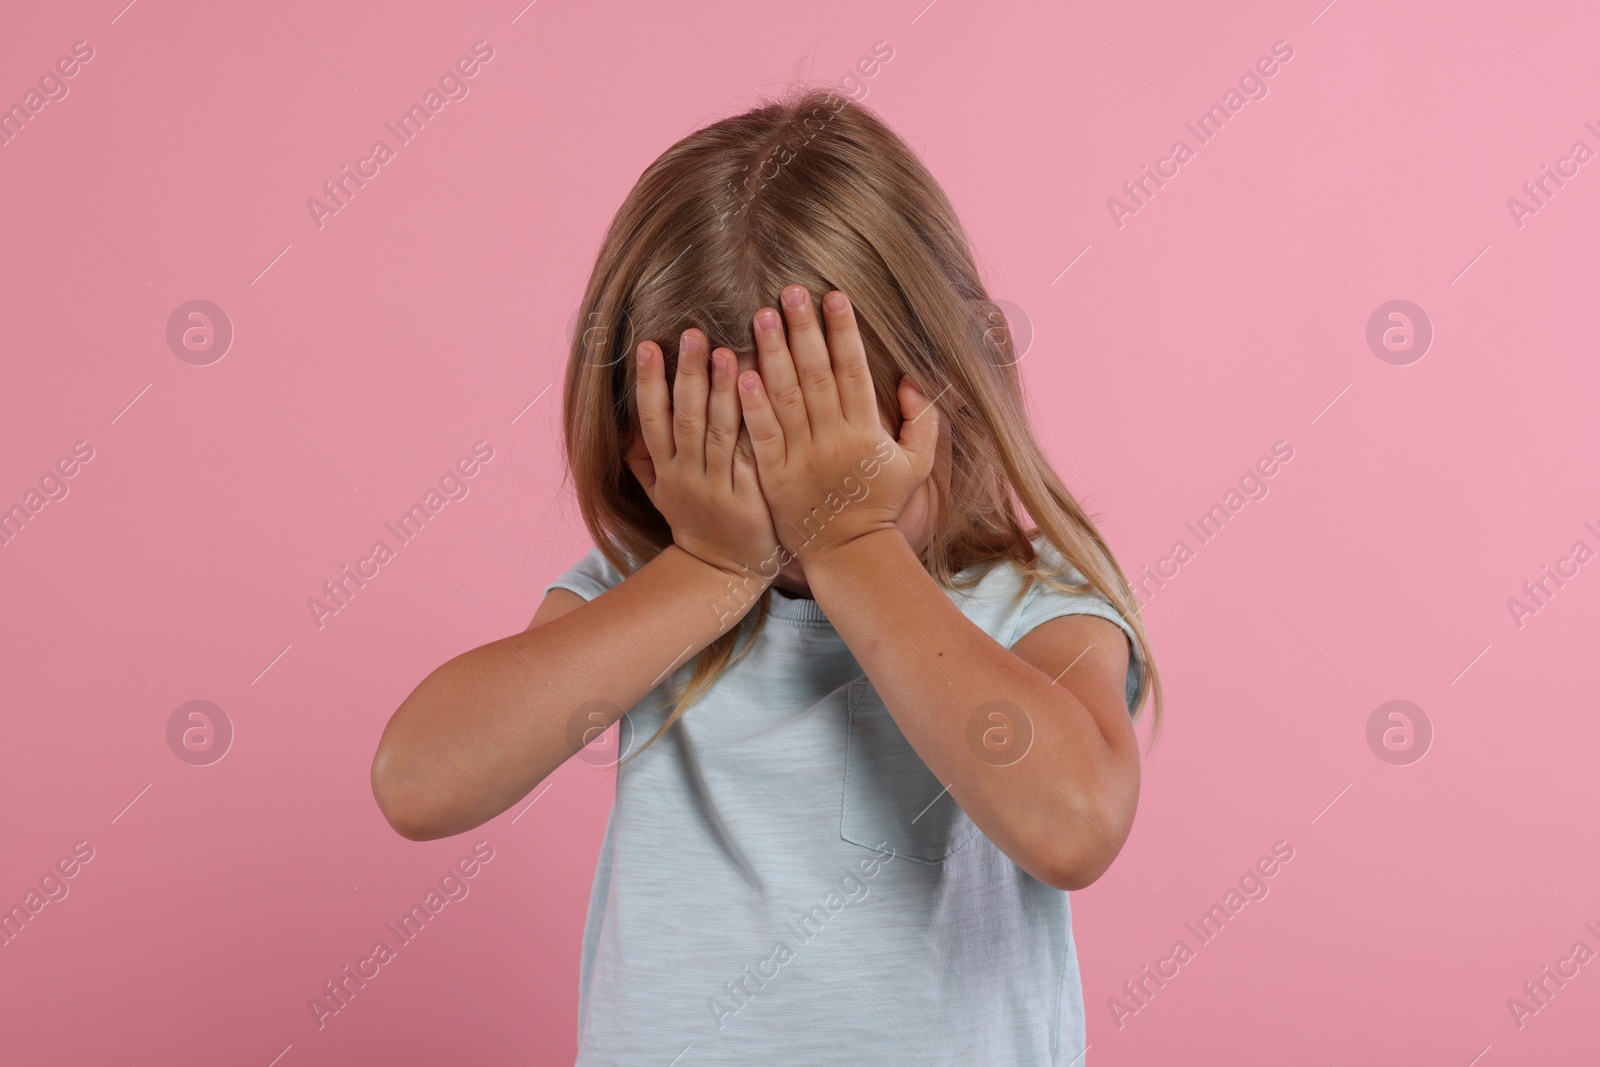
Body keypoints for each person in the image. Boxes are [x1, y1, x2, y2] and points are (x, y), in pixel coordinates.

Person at [371, 85, 1163, 1066]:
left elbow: (1073, 823)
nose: (795, 506)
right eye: (741, 454)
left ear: (952, 386)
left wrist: (854, 547)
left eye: (829, 451)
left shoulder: (1030, 605)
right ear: (641, 443)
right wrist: (704, 568)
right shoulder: (645, 596)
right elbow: (418, 781)